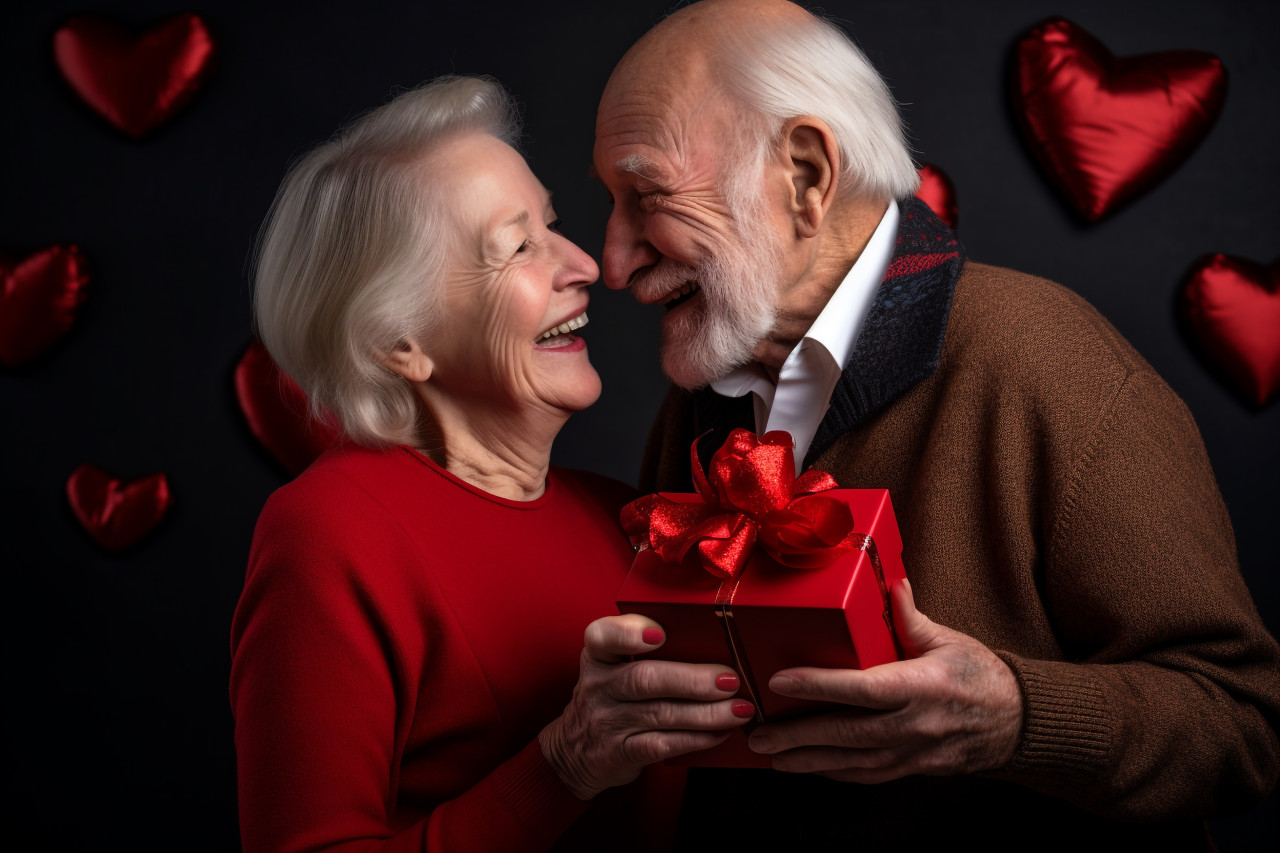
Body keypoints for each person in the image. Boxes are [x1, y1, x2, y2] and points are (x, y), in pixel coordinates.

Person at [591, 0, 1280, 848]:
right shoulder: (702, 401)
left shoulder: (1048, 362)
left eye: (646, 196)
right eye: (609, 204)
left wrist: (1016, 718)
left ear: (804, 175)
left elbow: (1240, 724)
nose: (614, 261)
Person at [229, 75, 755, 853]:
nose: (585, 264)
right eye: (518, 247)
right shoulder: (330, 531)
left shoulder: (627, 516)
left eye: (553, 224)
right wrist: (565, 763)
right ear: (399, 342)